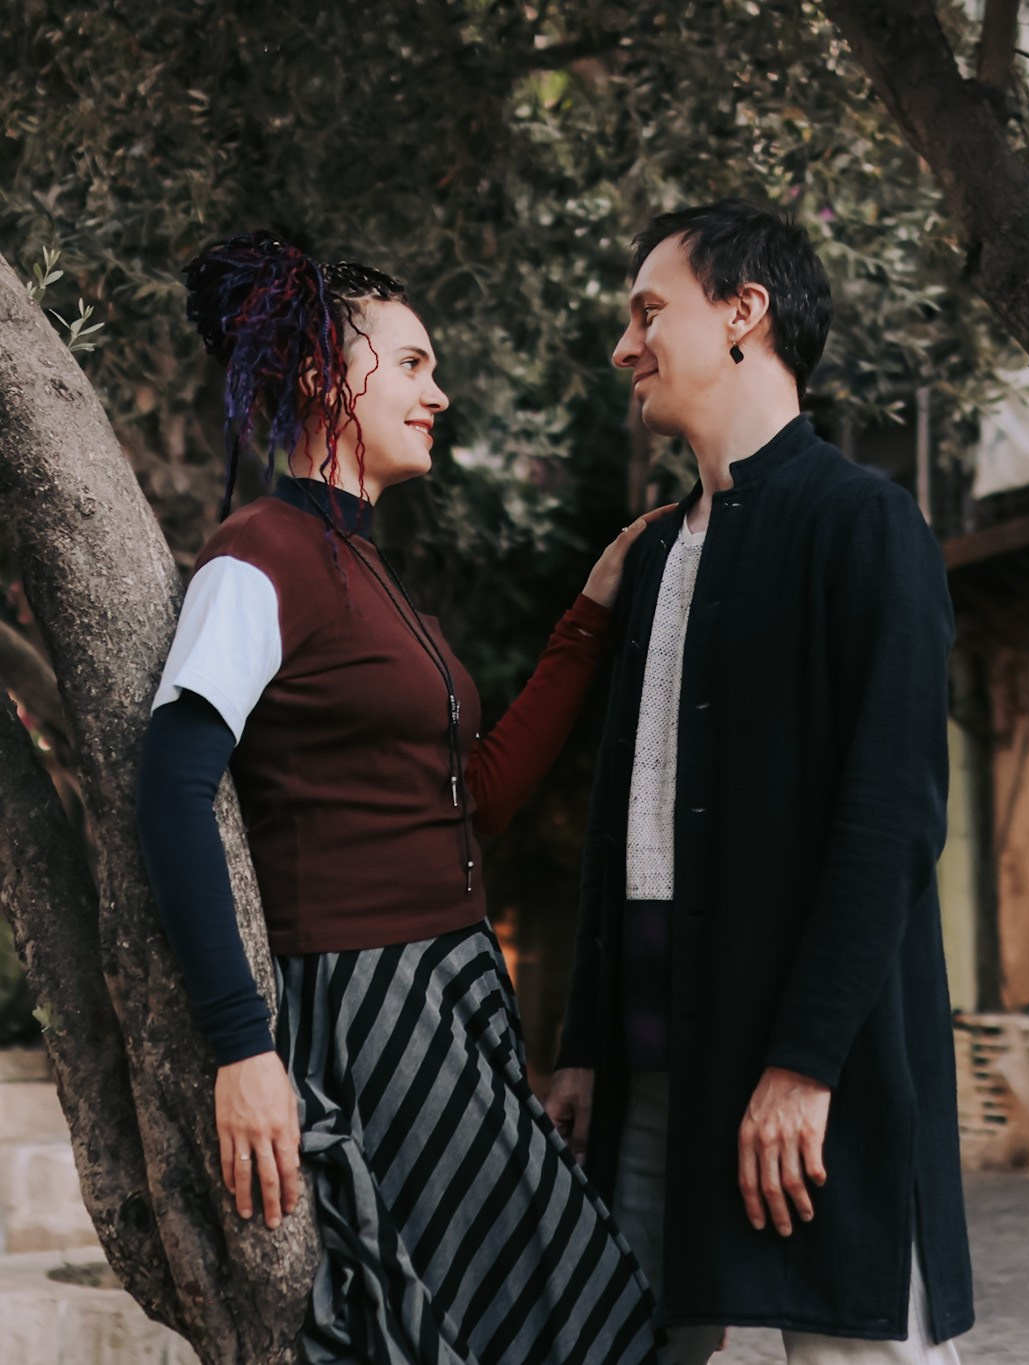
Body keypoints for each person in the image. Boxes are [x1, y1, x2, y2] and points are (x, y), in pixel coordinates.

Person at [137, 231, 664, 1365]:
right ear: (332, 370)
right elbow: (172, 790)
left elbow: (465, 804)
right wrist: (242, 1048)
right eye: (415, 364)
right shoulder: (257, 556)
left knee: (560, 1311)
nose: (438, 392)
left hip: (449, 989)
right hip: (367, 1005)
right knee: (552, 1322)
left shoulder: (363, 569)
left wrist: (588, 617)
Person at [544, 201, 974, 1363]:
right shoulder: (649, 555)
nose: (626, 348)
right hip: (646, 1071)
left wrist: (802, 1065)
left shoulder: (867, 528)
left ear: (744, 313)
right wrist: (584, 1043)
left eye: (648, 313)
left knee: (845, 1346)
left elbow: (888, 820)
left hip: (812, 1081)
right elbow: (618, 820)